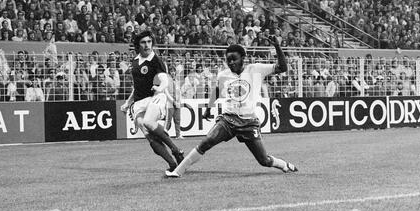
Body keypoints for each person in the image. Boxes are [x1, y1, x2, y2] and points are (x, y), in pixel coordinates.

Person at [166, 39, 298, 178]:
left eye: (234, 59)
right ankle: (178, 171)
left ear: (243, 58)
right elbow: (217, 91)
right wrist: (208, 108)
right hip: (228, 119)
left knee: (264, 160)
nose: (231, 63)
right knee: (206, 142)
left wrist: (277, 46)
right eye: (228, 60)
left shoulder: (256, 69)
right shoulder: (223, 75)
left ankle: (284, 165)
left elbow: (282, 68)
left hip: (248, 122)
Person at [121, 31, 184, 172]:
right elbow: (136, 86)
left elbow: (164, 80)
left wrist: (159, 88)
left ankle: (176, 150)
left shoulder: (156, 60)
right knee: (149, 136)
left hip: (155, 97)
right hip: (138, 102)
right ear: (138, 45)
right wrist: (128, 102)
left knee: (148, 122)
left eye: (149, 42)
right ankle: (173, 165)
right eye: (143, 42)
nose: (147, 45)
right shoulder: (135, 61)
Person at [165, 67, 183, 139]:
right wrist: (173, 101)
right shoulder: (167, 81)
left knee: (177, 120)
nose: (173, 73)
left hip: (177, 103)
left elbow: (179, 92)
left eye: (173, 71)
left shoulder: (177, 81)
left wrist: (179, 101)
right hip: (170, 103)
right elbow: (166, 93)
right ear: (169, 73)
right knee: (168, 120)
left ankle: (178, 135)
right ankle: (164, 135)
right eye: (171, 71)